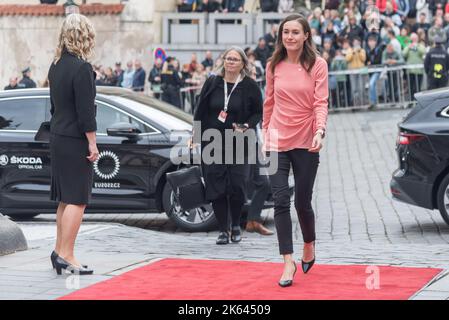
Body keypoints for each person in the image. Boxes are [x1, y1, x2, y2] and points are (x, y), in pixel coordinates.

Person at [263, 14, 328, 287]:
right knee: (280, 200)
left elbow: (321, 102)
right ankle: (287, 260)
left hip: (305, 139)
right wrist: (265, 132)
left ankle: (309, 244)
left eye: (295, 32)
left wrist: (320, 130)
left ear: (305, 36)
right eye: (285, 32)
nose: (289, 36)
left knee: (302, 202)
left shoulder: (317, 64)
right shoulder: (273, 64)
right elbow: (269, 101)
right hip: (276, 140)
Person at [193, 46, 263, 245]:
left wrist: (247, 125)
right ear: (223, 61)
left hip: (239, 142)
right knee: (216, 187)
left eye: (235, 59)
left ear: (242, 64)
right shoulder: (213, 82)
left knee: (237, 186)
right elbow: (200, 110)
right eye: (228, 58)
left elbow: (258, 112)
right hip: (212, 142)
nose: (231, 62)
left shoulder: (249, 86)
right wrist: (196, 137)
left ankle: (235, 226)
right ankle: (223, 229)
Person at [47, 13, 99, 276]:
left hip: (58, 135)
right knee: (78, 199)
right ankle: (67, 254)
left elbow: (55, 107)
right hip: (75, 139)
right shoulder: (82, 68)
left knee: (65, 199)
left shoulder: (55, 65)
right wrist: (92, 143)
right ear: (85, 36)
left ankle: (59, 251)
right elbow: (86, 113)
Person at [402, 33, 425, 99]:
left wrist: (416, 47)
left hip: (419, 71)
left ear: (417, 39)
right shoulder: (408, 46)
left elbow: (423, 52)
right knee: (411, 87)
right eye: (413, 38)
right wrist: (409, 47)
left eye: (415, 38)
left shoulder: (420, 45)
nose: (414, 40)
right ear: (411, 39)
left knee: (418, 87)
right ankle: (411, 100)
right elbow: (404, 54)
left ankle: (419, 100)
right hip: (410, 71)